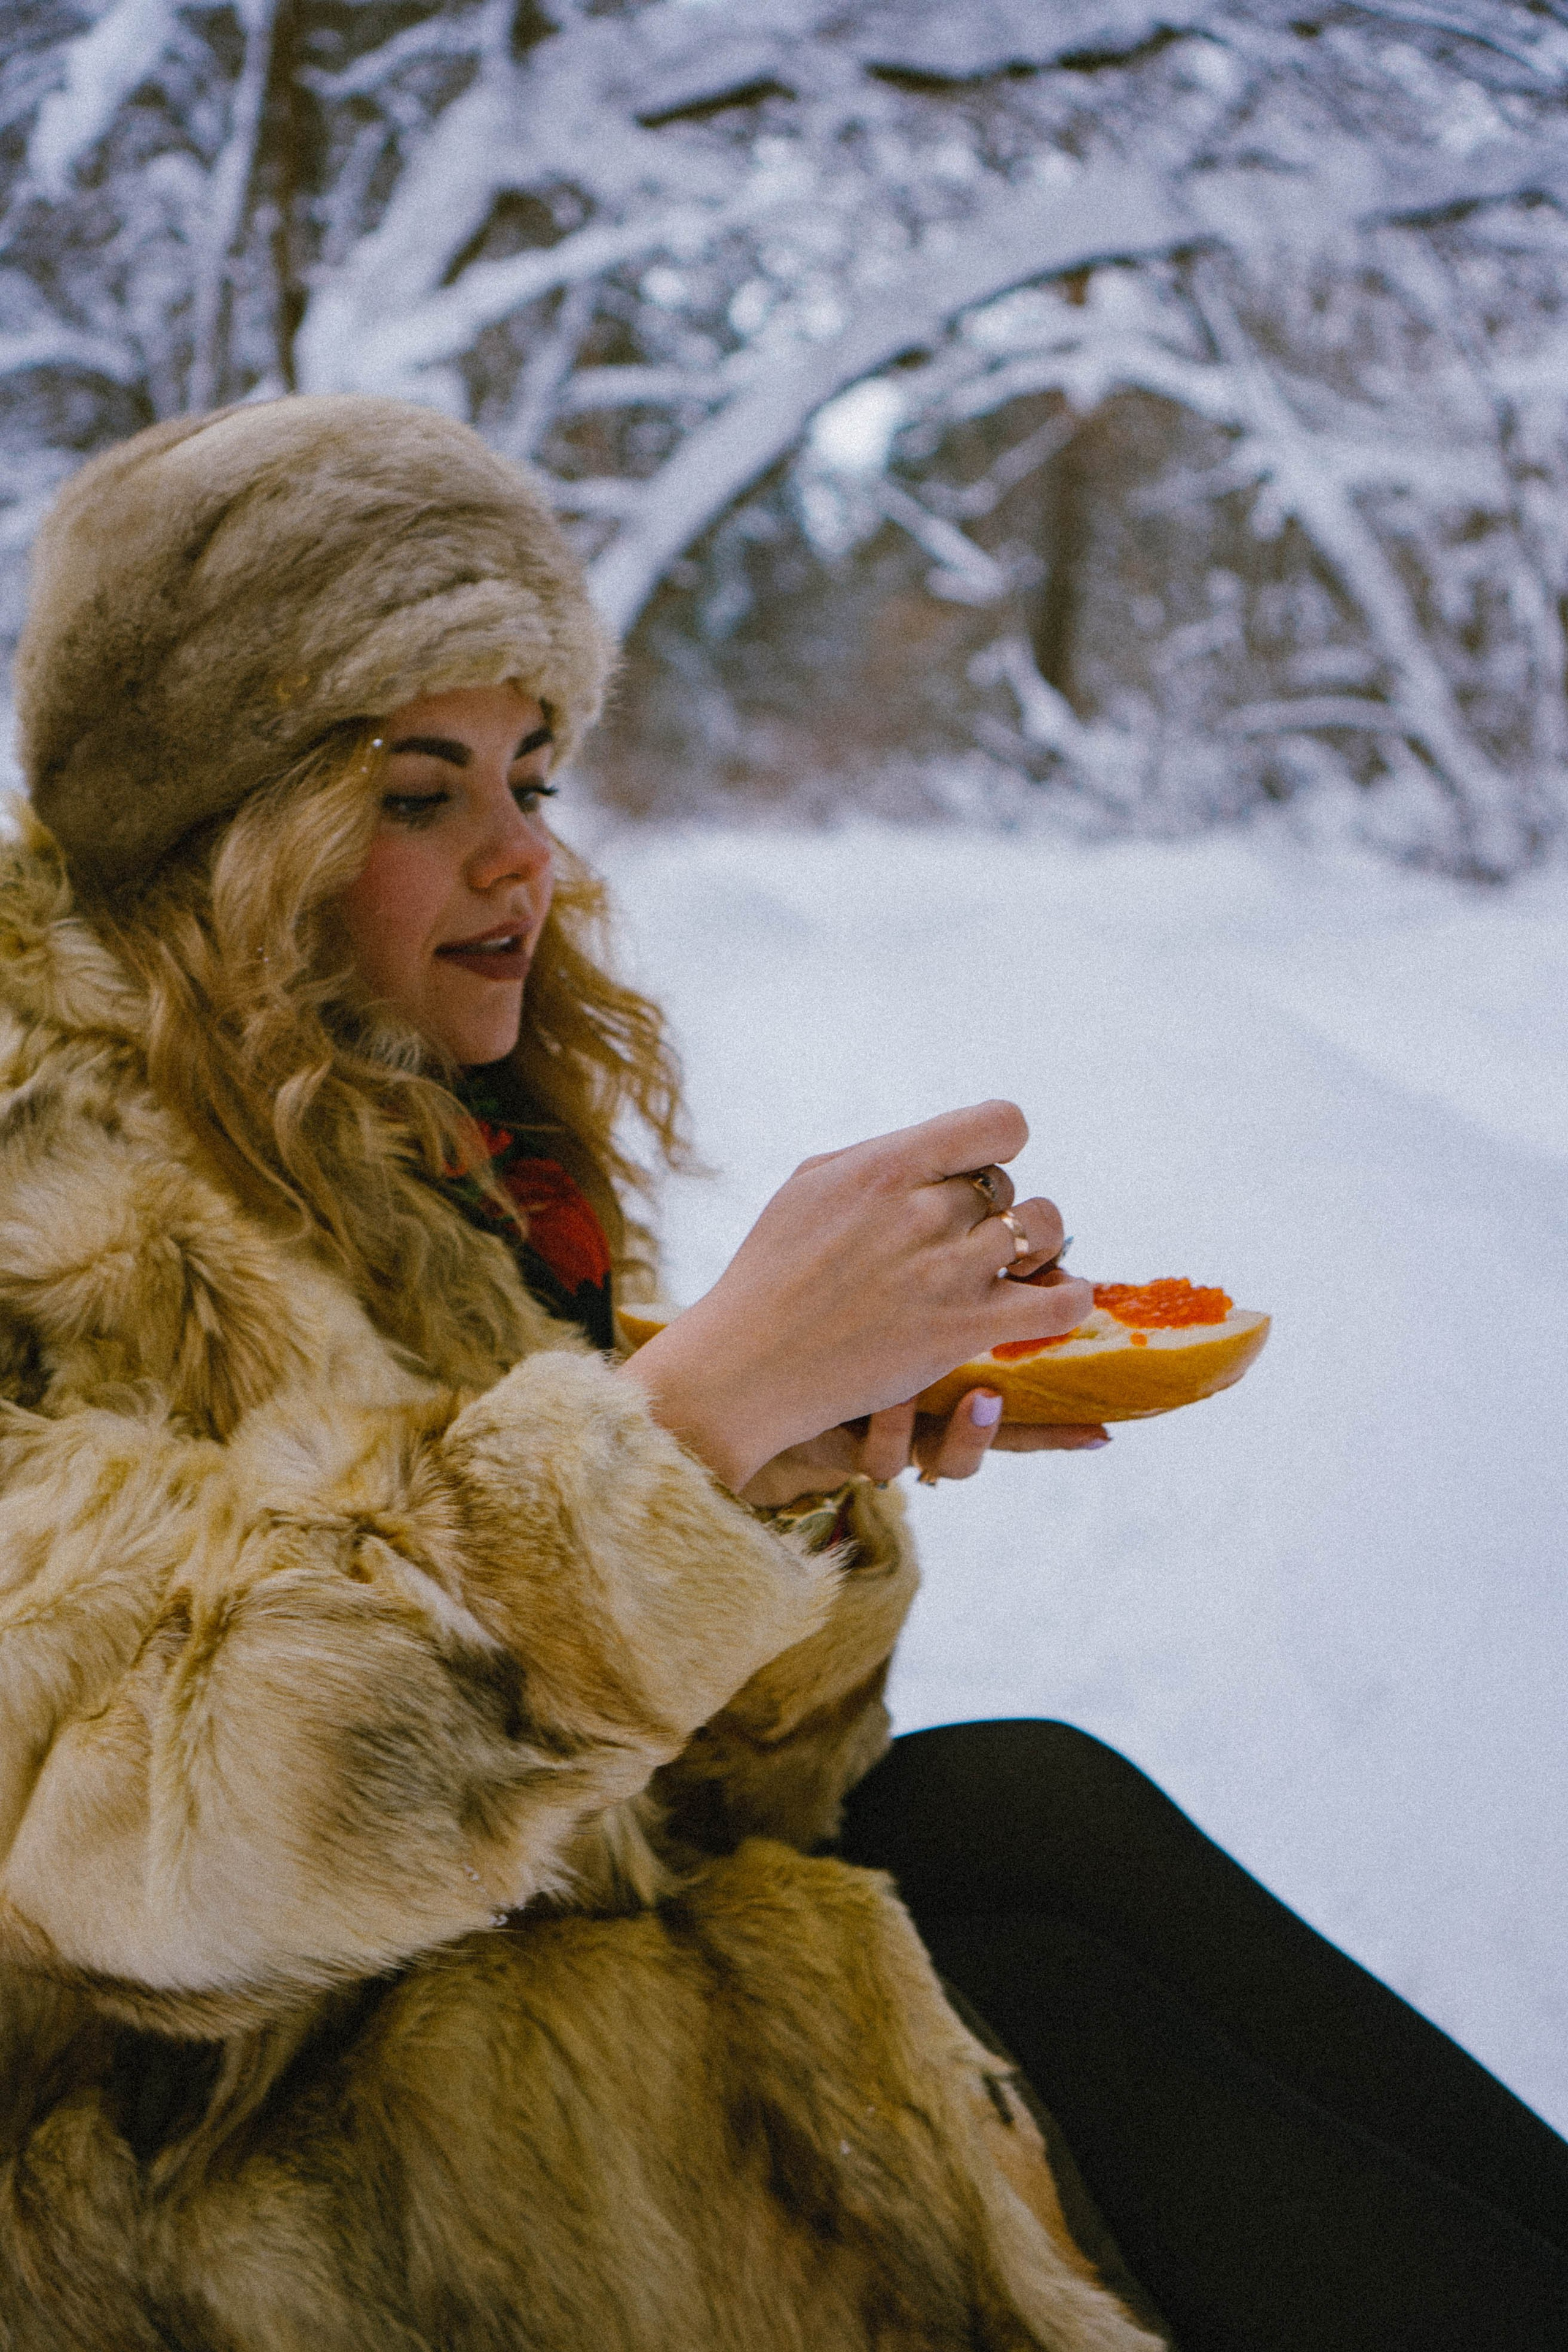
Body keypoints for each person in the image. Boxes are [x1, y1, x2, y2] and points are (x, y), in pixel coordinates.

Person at [0, 396, 1559, 2352]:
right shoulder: (47, 1177)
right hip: (205, 2144)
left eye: (533, 778)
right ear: (220, 831)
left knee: (1023, 1813)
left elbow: (743, 1793)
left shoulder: (422, 1143)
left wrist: (776, 1482)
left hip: (455, 1962)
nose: (523, 862)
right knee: (1005, 2052)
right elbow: (123, 1837)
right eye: (420, 795)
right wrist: (675, 1436)